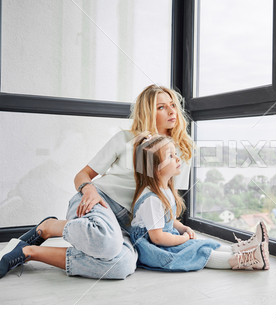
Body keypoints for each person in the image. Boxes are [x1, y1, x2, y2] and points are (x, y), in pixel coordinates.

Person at [0, 84, 193, 279]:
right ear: (148, 111)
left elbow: (164, 199)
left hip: (130, 225)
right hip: (99, 201)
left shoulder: (182, 152)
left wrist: (180, 227)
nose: (171, 111)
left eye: (173, 105)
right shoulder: (125, 139)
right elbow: (82, 175)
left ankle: (29, 253)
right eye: (161, 107)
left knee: (122, 265)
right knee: (107, 241)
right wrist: (89, 190)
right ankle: (51, 226)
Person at [128, 134, 270, 271]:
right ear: (155, 168)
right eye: (170, 156)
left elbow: (167, 221)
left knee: (203, 243)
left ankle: (244, 248)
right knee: (198, 251)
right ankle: (245, 259)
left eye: (175, 154)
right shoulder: (152, 200)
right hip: (154, 248)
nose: (177, 159)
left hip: (165, 239)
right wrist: (183, 239)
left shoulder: (165, 190)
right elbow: (158, 238)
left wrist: (183, 228)